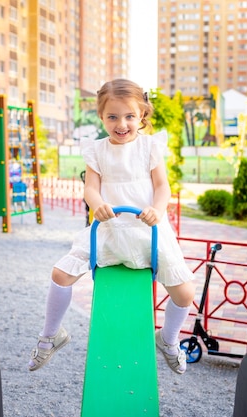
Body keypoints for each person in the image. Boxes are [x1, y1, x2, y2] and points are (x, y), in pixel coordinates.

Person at [27, 79, 196, 374]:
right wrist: (97, 204)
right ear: (102, 117)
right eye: (113, 117)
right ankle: (51, 335)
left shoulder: (149, 147)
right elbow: (90, 188)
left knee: (185, 292)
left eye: (130, 116)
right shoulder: (97, 151)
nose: (122, 124)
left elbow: (162, 187)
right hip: (109, 231)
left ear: (142, 115)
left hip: (148, 231)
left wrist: (157, 210)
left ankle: (168, 339)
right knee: (60, 273)